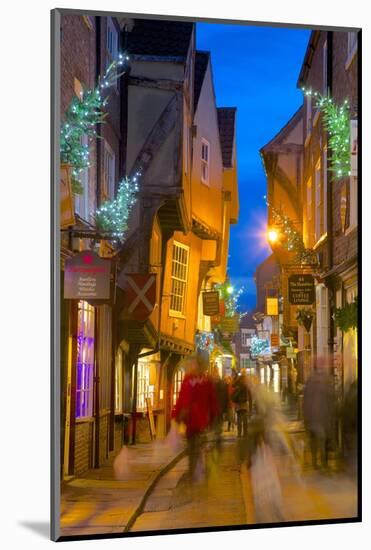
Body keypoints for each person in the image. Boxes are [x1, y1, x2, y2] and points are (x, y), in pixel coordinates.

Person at [174, 354, 219, 482]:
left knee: (195, 446)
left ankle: (196, 469)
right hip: (195, 420)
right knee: (194, 446)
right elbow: (182, 399)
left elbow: (211, 400)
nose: (190, 366)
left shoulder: (193, 381)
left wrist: (177, 416)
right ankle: (196, 470)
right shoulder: (202, 380)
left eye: (192, 364)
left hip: (198, 420)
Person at [303, 357, 336, 471]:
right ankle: (323, 464)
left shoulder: (310, 379)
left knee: (313, 441)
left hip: (311, 417)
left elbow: (305, 401)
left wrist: (305, 418)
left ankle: (314, 463)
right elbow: (331, 399)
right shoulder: (327, 380)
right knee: (322, 441)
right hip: (323, 417)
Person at [231, 369, 252, 438]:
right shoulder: (246, 382)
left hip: (238, 403)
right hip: (244, 403)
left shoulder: (238, 380)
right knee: (245, 419)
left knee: (239, 418)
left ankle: (239, 434)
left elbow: (233, 385)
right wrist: (250, 405)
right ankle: (245, 433)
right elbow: (249, 394)